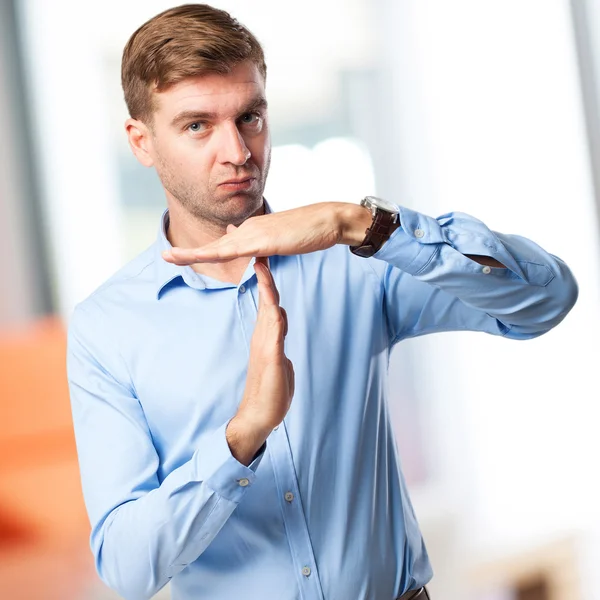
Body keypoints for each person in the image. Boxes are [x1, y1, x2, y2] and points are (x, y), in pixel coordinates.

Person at [66, 4, 578, 600]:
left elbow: (545, 299)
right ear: (142, 141)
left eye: (250, 117)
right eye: (197, 125)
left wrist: (362, 224)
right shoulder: (108, 327)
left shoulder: (352, 259)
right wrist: (242, 436)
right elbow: (128, 567)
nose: (237, 151)